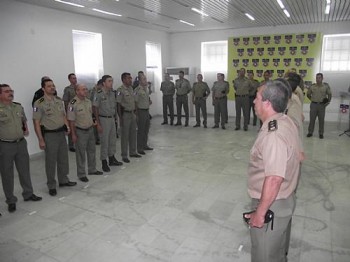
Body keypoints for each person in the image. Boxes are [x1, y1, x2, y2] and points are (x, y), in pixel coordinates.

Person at [244, 80, 302, 262]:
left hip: (272, 204)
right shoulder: (285, 121)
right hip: (284, 198)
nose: (254, 101)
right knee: (276, 253)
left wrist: (260, 214)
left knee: (264, 255)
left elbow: (274, 178)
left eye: (257, 98)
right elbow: (299, 156)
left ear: (267, 103)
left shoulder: (273, 134)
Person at [0, 84, 42, 213]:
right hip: (5, 145)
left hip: (21, 144)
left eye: (11, 91)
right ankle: (11, 200)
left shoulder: (18, 106)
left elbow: (23, 120)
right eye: (7, 91)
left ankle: (28, 194)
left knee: (25, 170)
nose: (10, 93)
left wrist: (26, 129)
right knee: (7, 174)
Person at [33, 79, 76, 196]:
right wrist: (40, 139)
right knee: (51, 161)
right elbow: (36, 122)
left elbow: (63, 115)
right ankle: (51, 185)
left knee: (63, 158)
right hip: (49, 135)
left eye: (53, 85)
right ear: (43, 89)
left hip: (61, 134)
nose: (52, 88)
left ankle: (63, 180)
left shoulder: (58, 100)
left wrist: (67, 126)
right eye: (49, 86)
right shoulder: (39, 103)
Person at [67, 83, 103, 182]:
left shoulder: (88, 101)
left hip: (90, 129)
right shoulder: (73, 103)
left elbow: (91, 115)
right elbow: (71, 120)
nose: (85, 91)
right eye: (83, 89)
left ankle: (92, 169)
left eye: (86, 89)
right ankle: (81, 173)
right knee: (81, 154)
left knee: (92, 151)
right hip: (80, 131)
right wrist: (73, 134)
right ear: (77, 91)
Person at [92, 75, 123, 172]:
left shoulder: (111, 93)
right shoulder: (99, 93)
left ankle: (112, 158)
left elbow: (113, 107)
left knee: (112, 140)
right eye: (109, 81)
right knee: (104, 141)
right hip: (103, 119)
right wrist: (98, 123)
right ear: (104, 83)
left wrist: (115, 119)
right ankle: (104, 162)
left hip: (111, 119)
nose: (111, 83)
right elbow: (95, 108)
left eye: (112, 81)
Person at [116, 73, 141, 163]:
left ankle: (133, 152)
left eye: (131, 78)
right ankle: (124, 155)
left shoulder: (131, 88)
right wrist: (120, 118)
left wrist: (136, 113)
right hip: (125, 114)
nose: (130, 80)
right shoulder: (120, 90)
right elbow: (118, 105)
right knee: (125, 136)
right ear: (123, 80)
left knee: (133, 134)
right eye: (128, 78)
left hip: (132, 113)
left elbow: (134, 101)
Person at [306, 73, 332, 139]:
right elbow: (308, 94)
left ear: (322, 78)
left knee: (321, 120)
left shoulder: (325, 86)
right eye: (317, 77)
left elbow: (329, 94)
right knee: (312, 119)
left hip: (322, 106)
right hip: (313, 105)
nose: (318, 79)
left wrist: (328, 102)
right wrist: (312, 99)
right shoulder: (312, 86)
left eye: (319, 78)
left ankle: (321, 133)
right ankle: (310, 132)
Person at [134, 75, 153, 155]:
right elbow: (135, 102)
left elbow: (147, 98)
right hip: (140, 111)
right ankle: (139, 148)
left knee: (146, 129)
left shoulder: (146, 89)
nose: (146, 80)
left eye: (146, 78)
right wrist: (137, 114)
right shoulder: (137, 90)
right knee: (141, 130)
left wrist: (149, 101)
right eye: (144, 79)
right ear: (140, 81)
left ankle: (145, 145)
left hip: (146, 111)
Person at [62, 73, 77, 152]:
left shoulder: (79, 87)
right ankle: (71, 145)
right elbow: (66, 101)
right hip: (71, 112)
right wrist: (68, 112)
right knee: (72, 129)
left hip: (79, 112)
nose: (75, 80)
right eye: (73, 78)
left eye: (75, 78)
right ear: (70, 79)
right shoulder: (67, 89)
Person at [90, 79, 103, 145]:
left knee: (98, 125)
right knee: (95, 126)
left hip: (98, 110)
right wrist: (94, 113)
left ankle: (98, 138)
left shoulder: (98, 91)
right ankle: (96, 139)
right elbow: (92, 103)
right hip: (93, 111)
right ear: (100, 84)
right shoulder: (94, 91)